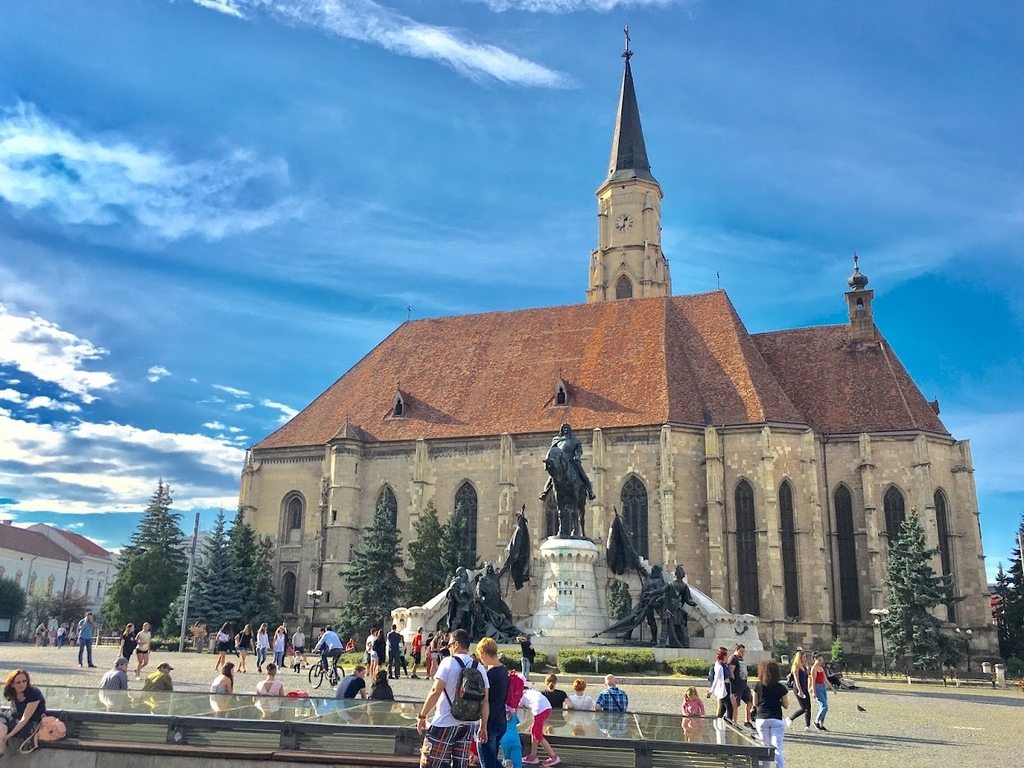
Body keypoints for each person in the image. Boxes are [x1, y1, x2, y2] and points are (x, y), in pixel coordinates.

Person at [416, 628, 490, 768]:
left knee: (431, 763)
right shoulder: (479, 667)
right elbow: (485, 701)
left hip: (444, 723)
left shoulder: (448, 662)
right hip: (467, 725)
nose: (448, 648)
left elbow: (435, 691)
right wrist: (483, 726)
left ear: (456, 644)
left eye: (449, 645)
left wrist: (423, 715)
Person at [476, 637, 510, 768]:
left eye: (481, 656)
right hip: (501, 721)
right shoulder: (504, 670)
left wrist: (482, 726)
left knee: (487, 764)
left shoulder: (488, 674)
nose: (481, 659)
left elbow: (485, 702)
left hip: (489, 722)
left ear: (484, 653)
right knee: (492, 761)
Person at [752, 659, 790, 768]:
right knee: (778, 748)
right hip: (776, 718)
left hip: (762, 718)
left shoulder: (758, 686)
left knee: (765, 748)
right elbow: (786, 705)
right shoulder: (780, 688)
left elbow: (755, 703)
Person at [1, 669, 46, 752]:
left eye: (24, 681)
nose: (22, 684)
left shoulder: (34, 694)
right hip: (15, 720)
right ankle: (1, 750)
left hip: (31, 724)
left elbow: (25, 719)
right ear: (12, 684)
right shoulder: (13, 693)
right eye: (18, 682)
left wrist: (8, 736)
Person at [518, 685, 558, 766]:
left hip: (540, 710)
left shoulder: (521, 695)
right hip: (546, 708)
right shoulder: (530, 691)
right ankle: (533, 755)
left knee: (537, 734)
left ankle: (553, 756)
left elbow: (516, 706)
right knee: (533, 730)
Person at [785, 650, 813, 732]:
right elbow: (797, 680)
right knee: (803, 707)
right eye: (803, 657)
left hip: (804, 688)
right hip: (798, 688)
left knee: (808, 707)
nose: (805, 658)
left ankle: (807, 726)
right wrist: (800, 691)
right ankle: (790, 718)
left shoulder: (803, 666)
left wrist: (807, 670)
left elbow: (806, 677)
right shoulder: (796, 667)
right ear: (799, 658)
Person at [728, 644, 754, 729]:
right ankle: (734, 722)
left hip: (744, 685)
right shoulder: (733, 659)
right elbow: (731, 672)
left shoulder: (741, 659)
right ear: (737, 650)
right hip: (737, 686)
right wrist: (734, 683)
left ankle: (747, 720)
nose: (743, 653)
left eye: (744, 651)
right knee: (736, 705)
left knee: (750, 701)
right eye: (741, 651)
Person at [810, 653, 836, 731]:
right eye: (819, 660)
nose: (821, 661)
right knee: (824, 706)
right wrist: (814, 691)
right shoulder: (814, 669)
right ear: (815, 659)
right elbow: (813, 681)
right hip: (817, 687)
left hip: (823, 687)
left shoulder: (821, 668)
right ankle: (816, 721)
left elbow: (825, 679)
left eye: (821, 660)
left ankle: (821, 723)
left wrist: (832, 688)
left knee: (824, 707)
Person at [706, 647, 733, 721]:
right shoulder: (719, 666)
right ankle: (729, 723)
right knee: (729, 707)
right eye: (726, 655)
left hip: (727, 686)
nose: (727, 657)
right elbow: (716, 679)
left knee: (723, 708)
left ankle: (718, 720)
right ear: (724, 656)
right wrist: (711, 691)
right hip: (723, 687)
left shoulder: (723, 665)